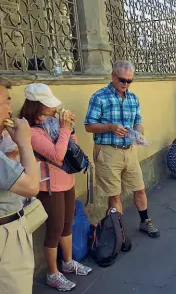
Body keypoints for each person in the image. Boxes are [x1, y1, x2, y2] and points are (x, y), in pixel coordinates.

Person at [19, 83, 92, 291]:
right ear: (36, 105)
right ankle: (52, 273)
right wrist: (64, 130)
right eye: (48, 105)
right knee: (55, 229)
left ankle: (68, 262)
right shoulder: (31, 131)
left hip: (66, 181)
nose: (53, 109)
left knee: (67, 225)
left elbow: (72, 147)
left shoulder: (54, 123)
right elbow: (57, 157)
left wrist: (71, 129)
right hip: (49, 186)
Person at [85, 60, 160, 238]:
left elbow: (138, 122)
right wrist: (110, 127)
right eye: (122, 80)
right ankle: (118, 232)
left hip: (130, 151)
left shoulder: (133, 98)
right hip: (108, 151)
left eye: (129, 81)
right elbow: (89, 125)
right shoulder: (100, 97)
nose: (126, 84)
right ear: (112, 76)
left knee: (139, 188)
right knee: (115, 195)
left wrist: (139, 133)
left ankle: (145, 221)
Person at [0, 77, 40, 294]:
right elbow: (32, 186)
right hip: (6, 236)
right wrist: (25, 143)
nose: (10, 109)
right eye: (6, 101)